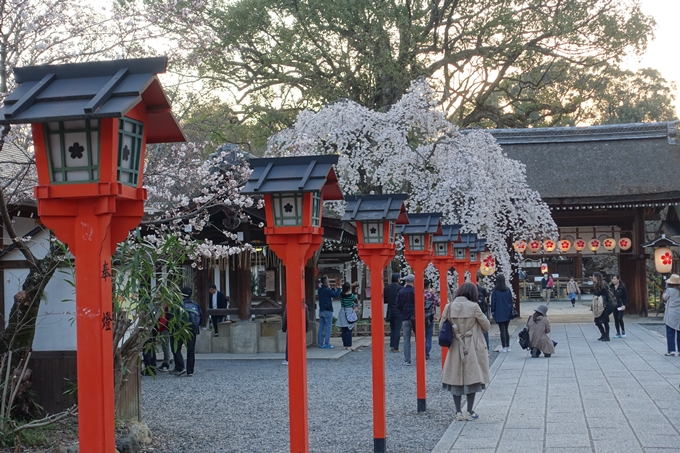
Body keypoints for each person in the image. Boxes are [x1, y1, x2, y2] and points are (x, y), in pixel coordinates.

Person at [440, 282, 490, 421]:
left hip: (455, 345)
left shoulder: (448, 307)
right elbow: (486, 325)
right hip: (471, 345)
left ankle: (457, 412)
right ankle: (469, 411)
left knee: (455, 377)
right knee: (472, 377)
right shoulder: (474, 307)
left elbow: (441, 325)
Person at [172, 287, 202, 377]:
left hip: (180, 329)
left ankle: (181, 367)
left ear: (181, 294)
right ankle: (190, 371)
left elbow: (173, 317)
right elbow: (201, 316)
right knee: (191, 350)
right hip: (192, 329)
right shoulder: (195, 304)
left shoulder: (178, 304)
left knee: (176, 349)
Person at [396, 274, 416, 365]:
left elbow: (398, 305)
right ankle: (419, 358)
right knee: (418, 339)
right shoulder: (416, 291)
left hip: (405, 317)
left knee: (406, 339)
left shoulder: (401, 292)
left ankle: (407, 360)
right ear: (413, 281)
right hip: (415, 318)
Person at [490, 274, 513, 352]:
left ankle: (503, 346)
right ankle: (508, 346)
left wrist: (492, 312)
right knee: (506, 329)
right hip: (507, 311)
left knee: (502, 330)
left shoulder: (495, 291)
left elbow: (493, 302)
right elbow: (511, 300)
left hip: (499, 312)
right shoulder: (508, 290)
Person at [317, 275, 341, 349]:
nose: (329, 282)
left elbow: (330, 293)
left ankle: (320, 343)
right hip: (328, 310)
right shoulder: (327, 290)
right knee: (328, 327)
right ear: (326, 282)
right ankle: (327, 343)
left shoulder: (320, 290)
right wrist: (339, 289)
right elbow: (335, 294)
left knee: (321, 327)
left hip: (321, 310)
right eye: (328, 281)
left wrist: (334, 288)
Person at [335, 282, 359, 351]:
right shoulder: (351, 296)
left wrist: (351, 285)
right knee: (349, 330)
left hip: (342, 311)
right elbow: (355, 298)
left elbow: (345, 289)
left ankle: (345, 345)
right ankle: (349, 345)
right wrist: (356, 289)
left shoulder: (341, 295)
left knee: (344, 330)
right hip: (349, 312)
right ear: (349, 289)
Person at [384, 273, 403, 353]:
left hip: (390, 309)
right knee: (397, 329)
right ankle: (396, 347)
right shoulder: (400, 288)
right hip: (398, 310)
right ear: (398, 279)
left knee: (392, 328)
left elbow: (385, 300)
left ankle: (392, 345)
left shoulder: (387, 288)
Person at [662, 274, 680, 356]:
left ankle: (671, 350)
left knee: (670, 332)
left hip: (672, 313)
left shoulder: (670, 290)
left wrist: (664, 292)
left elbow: (664, 298)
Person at [593, 272, 614, 342]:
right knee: (597, 321)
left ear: (596, 277)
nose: (592, 278)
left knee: (605, 321)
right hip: (598, 305)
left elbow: (606, 295)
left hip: (605, 304)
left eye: (593, 277)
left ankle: (607, 336)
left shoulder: (603, 285)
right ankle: (603, 334)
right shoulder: (596, 285)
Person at [424, 279, 441, 360]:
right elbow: (438, 303)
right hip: (430, 317)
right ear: (429, 286)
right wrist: (433, 294)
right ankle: (426, 353)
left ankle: (420, 352)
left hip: (419, 318)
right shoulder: (432, 295)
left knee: (420, 336)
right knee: (428, 336)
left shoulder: (417, 294)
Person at [476, 275, 490, 352]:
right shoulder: (482, 289)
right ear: (478, 280)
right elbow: (487, 295)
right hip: (482, 311)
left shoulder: (467, 290)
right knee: (484, 329)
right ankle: (486, 347)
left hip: (472, 313)